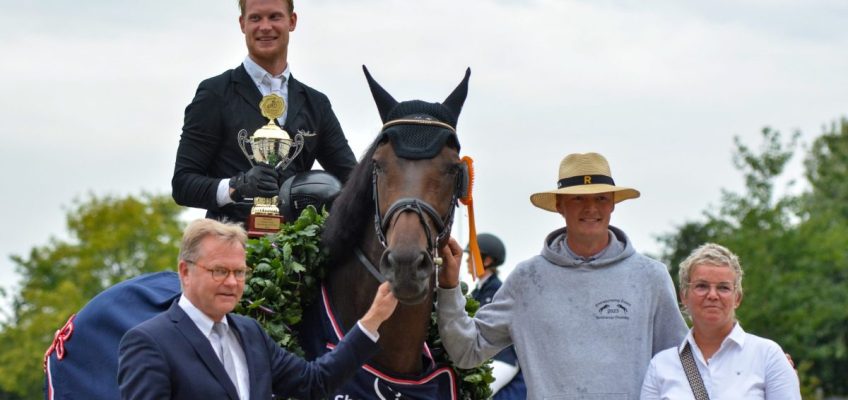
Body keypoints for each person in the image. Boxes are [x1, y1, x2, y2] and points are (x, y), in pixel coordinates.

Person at [436, 152, 688, 399]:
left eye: (600, 198)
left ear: (612, 203)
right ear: (559, 205)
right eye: (578, 198)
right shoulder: (527, 279)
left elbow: (678, 366)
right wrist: (448, 287)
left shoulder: (650, 277)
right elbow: (467, 351)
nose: (591, 207)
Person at [117, 219, 398, 399]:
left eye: (239, 272)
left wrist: (374, 319)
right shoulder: (149, 342)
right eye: (219, 271)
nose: (231, 282)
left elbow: (314, 383)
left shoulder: (250, 333)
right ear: (185, 271)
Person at [171, 0, 357, 224]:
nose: (265, 26)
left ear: (292, 21)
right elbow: (183, 184)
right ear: (242, 24)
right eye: (256, 18)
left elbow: (354, 181)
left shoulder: (316, 104)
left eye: (274, 17)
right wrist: (235, 186)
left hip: (297, 251)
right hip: (230, 248)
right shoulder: (215, 94)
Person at [640, 243, 801, 399]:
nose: (712, 295)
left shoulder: (769, 356)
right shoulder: (660, 366)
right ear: (684, 296)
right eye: (702, 286)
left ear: (737, 298)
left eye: (723, 288)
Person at [467, 233, 526, 399]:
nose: (466, 261)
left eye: (471, 257)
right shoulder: (477, 292)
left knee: (477, 394)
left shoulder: (498, 291)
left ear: (486, 261)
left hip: (502, 359)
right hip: (484, 358)